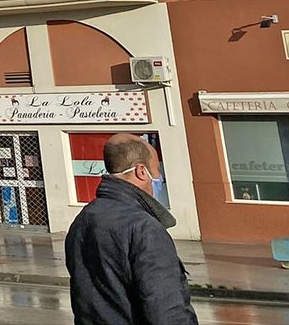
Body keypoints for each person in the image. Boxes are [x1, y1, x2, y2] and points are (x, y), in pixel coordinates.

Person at [65, 133, 197, 325]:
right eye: (157, 170)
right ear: (141, 172)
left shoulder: (83, 219)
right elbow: (167, 311)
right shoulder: (144, 228)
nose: (159, 178)